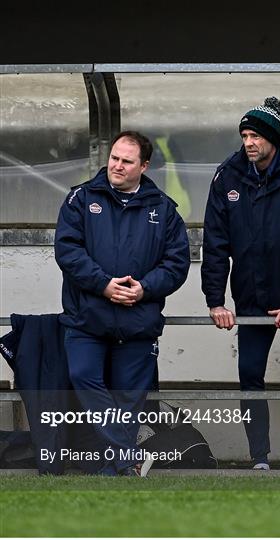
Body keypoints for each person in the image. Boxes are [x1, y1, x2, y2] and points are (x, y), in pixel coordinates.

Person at [201, 97, 280, 470]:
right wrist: (215, 300)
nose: (248, 142)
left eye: (255, 135)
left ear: (272, 138)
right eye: (244, 135)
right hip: (253, 296)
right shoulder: (227, 175)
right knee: (250, 375)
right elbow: (215, 242)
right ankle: (259, 457)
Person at [55, 130, 190, 476]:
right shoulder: (81, 199)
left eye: (126, 161)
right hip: (88, 316)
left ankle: (115, 472)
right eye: (113, 157)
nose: (116, 165)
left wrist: (144, 289)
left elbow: (177, 264)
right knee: (83, 375)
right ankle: (128, 455)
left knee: (130, 400)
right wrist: (103, 285)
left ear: (143, 166)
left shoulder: (164, 209)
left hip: (137, 319)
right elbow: (67, 251)